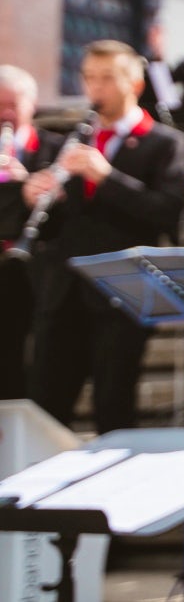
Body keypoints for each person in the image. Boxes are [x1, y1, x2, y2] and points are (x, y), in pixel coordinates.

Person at [25, 40, 184, 432]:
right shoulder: (70, 139)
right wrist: (37, 195)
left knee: (113, 405)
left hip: (122, 293)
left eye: (107, 78)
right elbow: (58, 221)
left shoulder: (166, 143)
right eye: (89, 78)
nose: (96, 88)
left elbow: (167, 212)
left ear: (135, 84)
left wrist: (106, 177)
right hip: (63, 289)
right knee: (46, 403)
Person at [0, 66, 64, 400]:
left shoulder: (57, 147)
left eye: (13, 104)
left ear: (32, 104)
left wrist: (25, 183)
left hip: (39, 271)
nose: (6, 114)